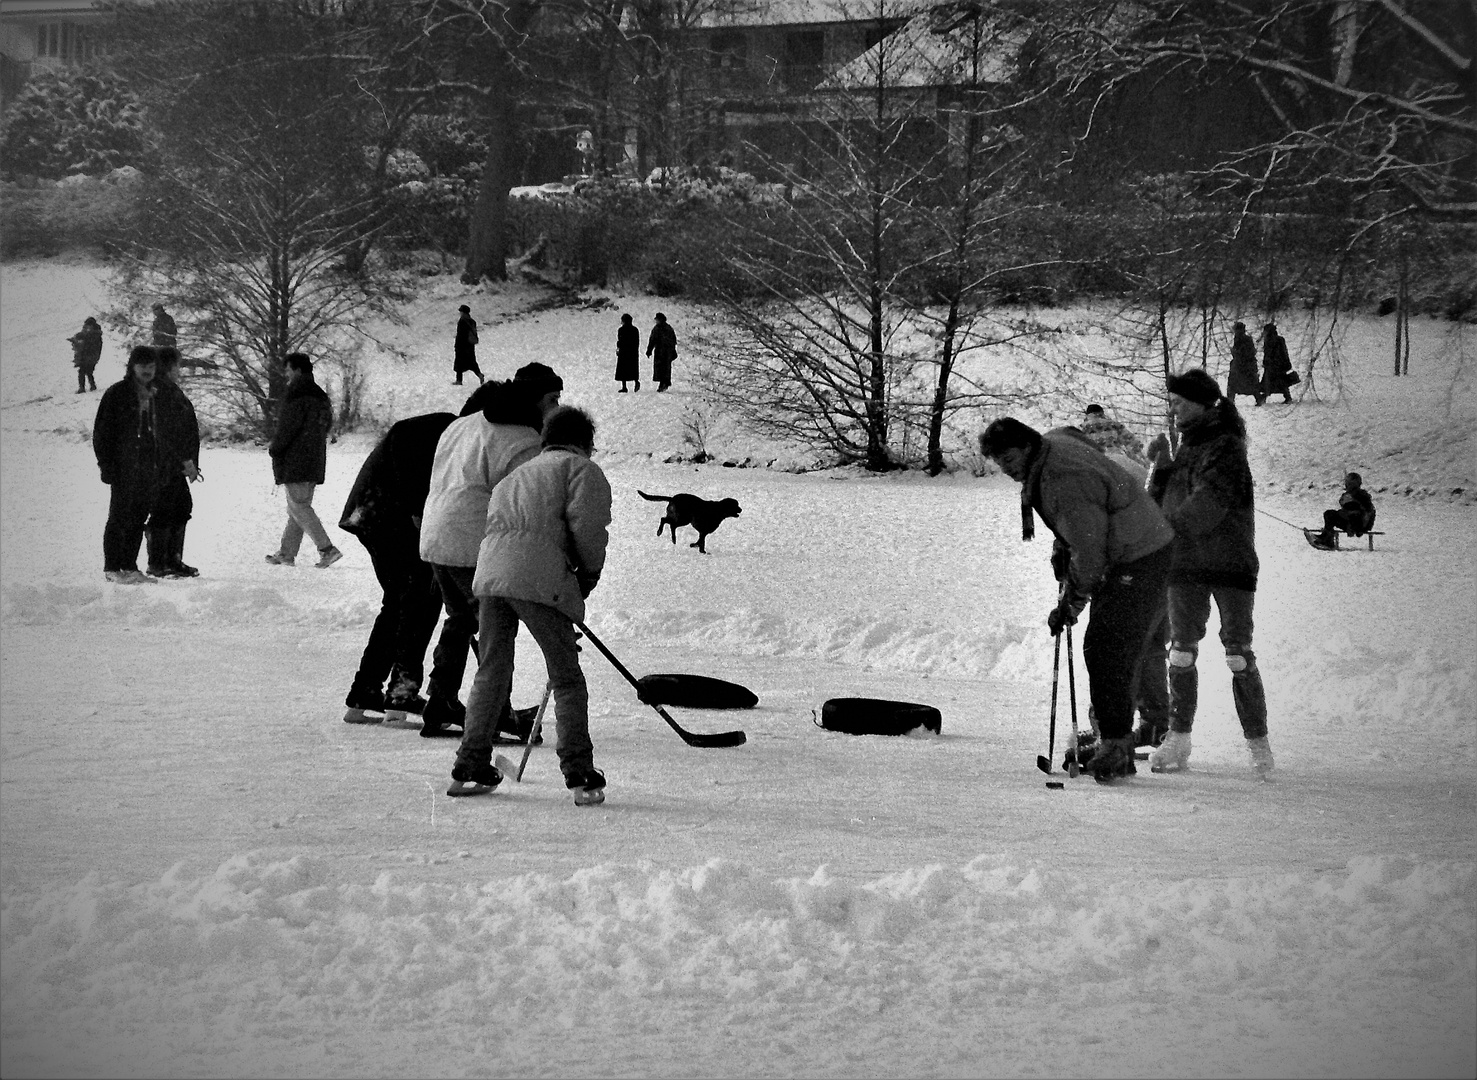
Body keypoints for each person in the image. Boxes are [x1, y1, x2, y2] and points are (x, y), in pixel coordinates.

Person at [979, 416, 1175, 782]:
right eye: (998, 463)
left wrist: (1070, 603)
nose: (1005, 470)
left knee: (1107, 647)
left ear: (1025, 447)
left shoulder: (1059, 478)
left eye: (1007, 461)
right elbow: (1083, 462)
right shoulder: (1054, 442)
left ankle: (1116, 746)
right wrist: (1062, 540)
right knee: (1110, 646)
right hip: (1137, 545)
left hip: (1140, 554)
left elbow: (1089, 551)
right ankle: (1111, 735)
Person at [448, 405, 612, 803]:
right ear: (584, 441)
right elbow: (588, 529)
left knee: (492, 669)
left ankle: (470, 764)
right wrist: (585, 579)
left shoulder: (517, 474)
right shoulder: (580, 470)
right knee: (566, 676)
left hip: (491, 576)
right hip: (536, 577)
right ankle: (579, 772)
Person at [418, 363, 564, 738]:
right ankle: (496, 712)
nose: (557, 409)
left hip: (437, 538)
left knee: (460, 619)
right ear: (533, 400)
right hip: (474, 543)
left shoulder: (462, 424)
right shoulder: (524, 440)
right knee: (497, 629)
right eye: (552, 400)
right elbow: (530, 507)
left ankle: (441, 700)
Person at [1145, 367, 1275, 777]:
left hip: (1229, 563)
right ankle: (1178, 740)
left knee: (1237, 654)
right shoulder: (1187, 446)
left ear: (1203, 403)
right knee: (1181, 651)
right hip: (1186, 565)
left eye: (1180, 402)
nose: (1174, 408)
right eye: (1172, 402)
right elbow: (1160, 504)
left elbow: (1207, 504)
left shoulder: (1226, 446)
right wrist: (1163, 468)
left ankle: (1259, 745)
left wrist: (1166, 533)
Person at [337, 411, 458, 723]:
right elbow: (402, 437)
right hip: (382, 515)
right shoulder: (441, 427)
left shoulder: (453, 431)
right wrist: (418, 508)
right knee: (418, 597)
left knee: (403, 600)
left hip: (381, 514)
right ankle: (399, 693)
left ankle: (369, 691)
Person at [265, 353, 343, 569]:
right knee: (298, 508)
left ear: (298, 370)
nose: (286, 374)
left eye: (288, 369)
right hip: (314, 458)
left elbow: (287, 428)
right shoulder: (320, 396)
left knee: (299, 507)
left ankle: (327, 549)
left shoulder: (296, 394)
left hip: (295, 460)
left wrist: (275, 448)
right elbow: (325, 426)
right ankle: (286, 553)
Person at [93, 346, 163, 585]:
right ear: (132, 366)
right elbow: (102, 432)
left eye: (152, 366)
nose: (147, 371)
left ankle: (130, 565)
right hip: (123, 466)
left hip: (147, 467)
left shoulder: (155, 393)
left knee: (139, 516)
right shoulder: (117, 394)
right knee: (119, 515)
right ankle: (112, 566)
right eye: (143, 366)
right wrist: (106, 464)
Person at [145, 347, 202, 578]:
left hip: (172, 462)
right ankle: (159, 563)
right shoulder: (161, 392)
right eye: (177, 365)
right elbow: (168, 431)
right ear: (168, 367)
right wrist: (185, 460)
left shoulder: (168, 390)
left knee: (179, 506)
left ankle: (171, 560)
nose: (179, 370)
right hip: (164, 463)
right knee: (165, 509)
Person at [1311, 472, 1377, 550]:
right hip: (1356, 523)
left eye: (1347, 483)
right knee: (1330, 514)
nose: (1346, 485)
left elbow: (1355, 512)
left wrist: (1354, 527)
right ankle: (1326, 536)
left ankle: (1327, 540)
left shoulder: (1357, 495)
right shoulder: (1357, 494)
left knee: (1330, 515)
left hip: (1356, 524)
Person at [1226, 321, 1264, 406]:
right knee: (1246, 384)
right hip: (1243, 366)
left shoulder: (1244, 339)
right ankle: (1230, 400)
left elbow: (1247, 352)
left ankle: (1230, 400)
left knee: (1236, 384)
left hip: (1244, 366)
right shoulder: (1240, 338)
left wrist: (1235, 352)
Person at [1260, 323, 1295, 404]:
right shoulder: (1279, 339)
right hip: (1279, 365)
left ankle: (1264, 397)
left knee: (1270, 381)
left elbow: (1269, 354)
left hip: (1273, 365)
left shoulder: (1269, 340)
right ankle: (1287, 397)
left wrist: (1266, 362)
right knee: (1279, 382)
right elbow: (1284, 352)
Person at [69, 316, 103, 393]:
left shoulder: (94, 334)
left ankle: (82, 388)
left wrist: (79, 341)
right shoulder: (96, 334)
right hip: (92, 356)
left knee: (82, 371)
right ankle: (92, 385)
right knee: (88, 371)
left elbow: (88, 342)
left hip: (88, 355)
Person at [453, 304, 483, 386]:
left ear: (464, 312)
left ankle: (459, 380)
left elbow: (461, 335)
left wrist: (457, 345)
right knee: (472, 362)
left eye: (461, 312)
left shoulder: (462, 321)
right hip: (470, 345)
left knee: (459, 363)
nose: (460, 313)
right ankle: (479, 374)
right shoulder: (472, 321)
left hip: (462, 346)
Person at [646, 311, 676, 392]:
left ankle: (664, 383)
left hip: (665, 352)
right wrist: (649, 350)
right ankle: (663, 383)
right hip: (661, 351)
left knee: (664, 368)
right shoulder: (660, 329)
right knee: (661, 368)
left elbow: (672, 340)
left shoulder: (665, 329)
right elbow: (652, 340)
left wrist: (672, 350)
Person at [615, 313, 640, 392]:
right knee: (633, 368)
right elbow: (636, 342)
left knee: (623, 369)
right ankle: (636, 382)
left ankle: (624, 387)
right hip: (632, 352)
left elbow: (620, 341)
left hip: (624, 352)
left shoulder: (621, 330)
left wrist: (618, 348)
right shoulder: (635, 330)